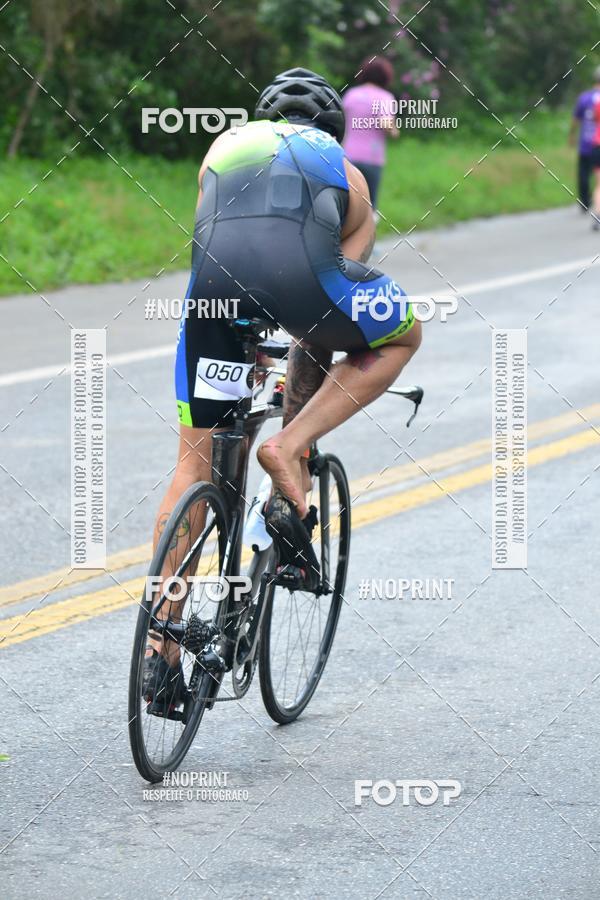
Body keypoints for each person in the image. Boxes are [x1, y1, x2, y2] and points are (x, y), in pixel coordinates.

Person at [144, 68, 421, 700]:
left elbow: (216, 244)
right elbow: (323, 320)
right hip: (304, 287)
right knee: (401, 335)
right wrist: (295, 408)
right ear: (332, 129)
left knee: (192, 468)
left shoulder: (221, 150)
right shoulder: (347, 172)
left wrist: (244, 355)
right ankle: (289, 448)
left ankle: (160, 649)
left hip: (211, 297)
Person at [342, 56, 399, 213]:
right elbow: (386, 124)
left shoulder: (351, 94)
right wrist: (395, 131)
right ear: (386, 76)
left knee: (347, 202)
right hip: (372, 158)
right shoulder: (385, 97)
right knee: (369, 205)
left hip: (348, 155)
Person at [570, 67, 600, 212]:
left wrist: (572, 135)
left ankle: (585, 202)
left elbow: (576, 119)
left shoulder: (584, 98)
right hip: (597, 142)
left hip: (587, 142)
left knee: (583, 172)